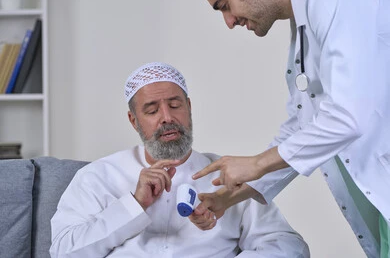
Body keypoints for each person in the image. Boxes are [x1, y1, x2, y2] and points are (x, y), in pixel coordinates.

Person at [192, 0, 390, 257]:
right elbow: (305, 124)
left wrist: (258, 163)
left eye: (225, 4)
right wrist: (228, 198)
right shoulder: (305, 21)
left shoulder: (336, 3)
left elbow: (348, 116)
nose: (229, 22)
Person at [49, 62, 309, 257]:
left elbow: (287, 246)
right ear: (133, 120)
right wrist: (134, 205)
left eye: (175, 106)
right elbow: (63, 252)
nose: (167, 118)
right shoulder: (99, 176)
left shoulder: (229, 176)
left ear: (189, 107)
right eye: (151, 110)